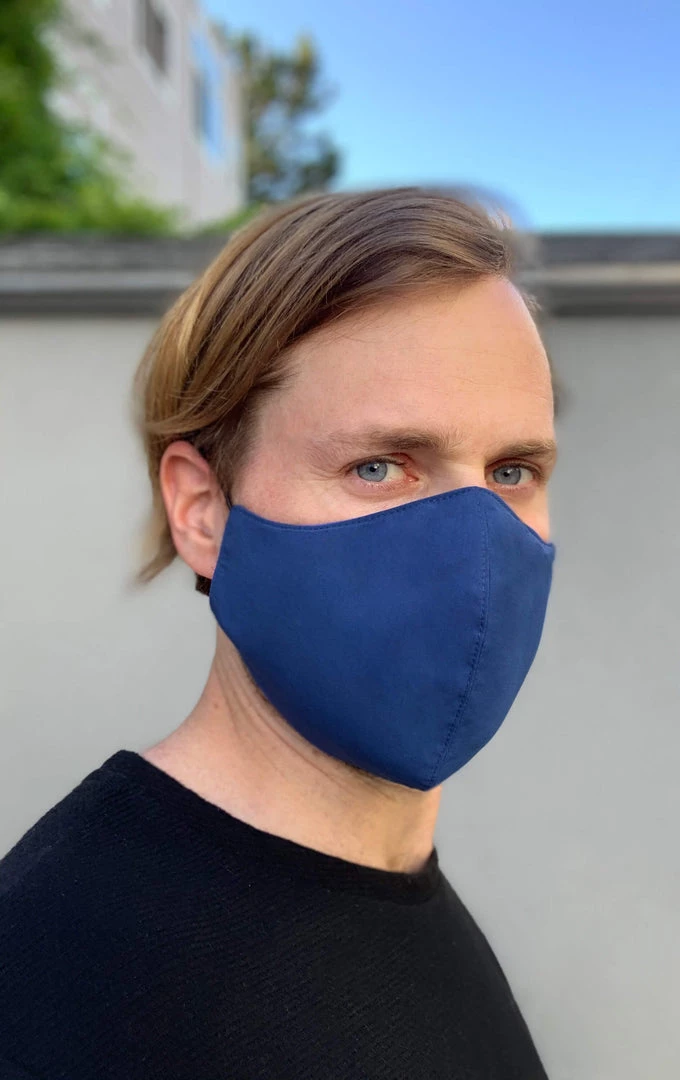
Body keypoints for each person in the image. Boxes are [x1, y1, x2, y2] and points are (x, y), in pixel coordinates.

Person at [0, 188, 557, 1080]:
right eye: (379, 466)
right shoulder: (55, 975)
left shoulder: (400, 893)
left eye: (513, 470)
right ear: (202, 509)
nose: (475, 548)